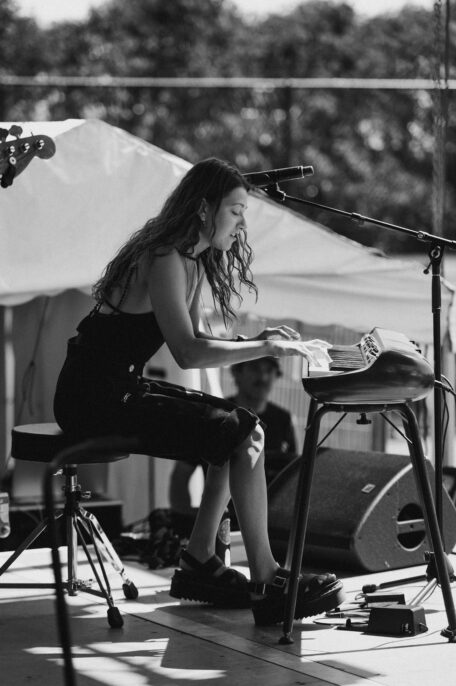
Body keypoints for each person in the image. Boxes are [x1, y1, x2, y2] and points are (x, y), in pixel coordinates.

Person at [53, 157, 344, 625]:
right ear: (206, 209)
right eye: (236, 210)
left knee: (239, 429)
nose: (242, 223)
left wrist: (260, 340)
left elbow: (198, 340)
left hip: (117, 385)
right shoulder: (166, 256)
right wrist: (262, 346)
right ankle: (265, 578)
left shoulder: (187, 258)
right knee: (243, 433)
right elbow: (187, 352)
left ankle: (200, 559)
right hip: (92, 396)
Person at [169, 355, 296, 531]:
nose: (263, 377)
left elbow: (293, 479)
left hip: (268, 529)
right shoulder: (216, 415)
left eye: (269, 371)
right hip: (221, 528)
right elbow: (180, 476)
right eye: (255, 369)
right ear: (236, 373)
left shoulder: (283, 419)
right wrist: (189, 522)